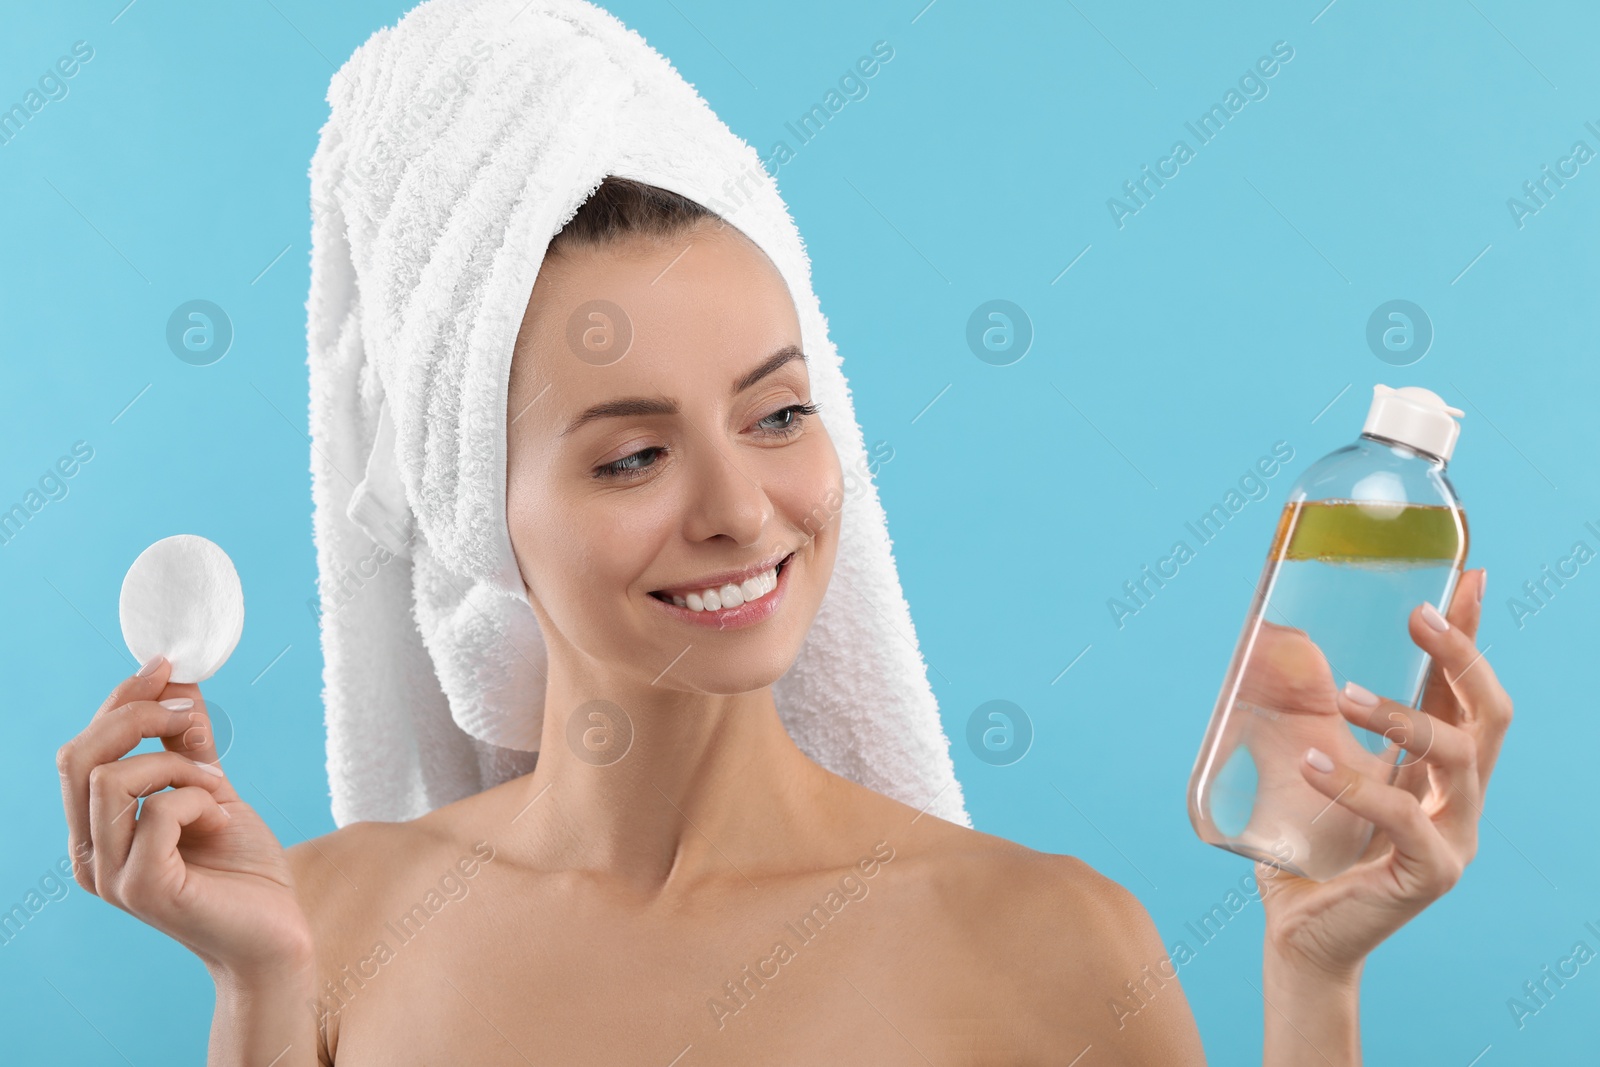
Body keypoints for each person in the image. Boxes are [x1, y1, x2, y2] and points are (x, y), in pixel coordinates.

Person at [55, 177, 1512, 1065]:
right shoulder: (329, 922)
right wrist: (259, 989)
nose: (743, 510)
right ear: (474, 507)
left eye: (778, 415)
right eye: (632, 454)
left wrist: (1313, 980)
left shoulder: (1051, 945)